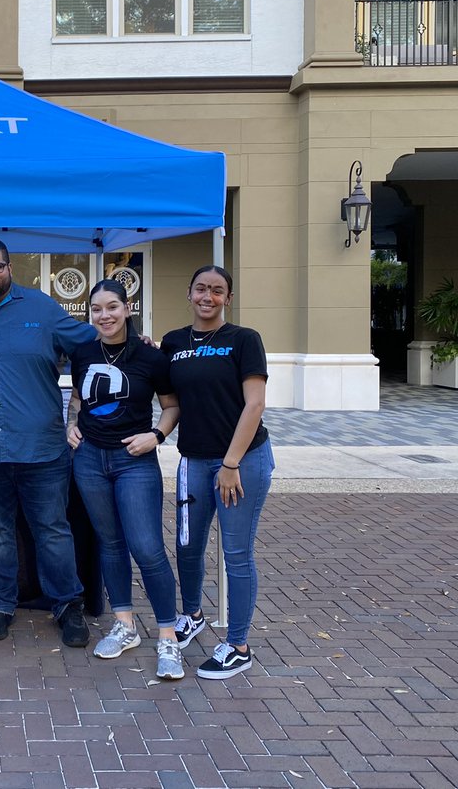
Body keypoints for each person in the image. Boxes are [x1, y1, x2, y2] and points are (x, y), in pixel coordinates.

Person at [0, 238, 98, 647]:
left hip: (41, 448)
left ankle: (67, 604)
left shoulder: (43, 309)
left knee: (53, 531)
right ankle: (0, 604)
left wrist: (135, 341)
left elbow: (95, 345)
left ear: (9, 268)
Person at [65, 279, 184, 679]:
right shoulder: (83, 353)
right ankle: (125, 625)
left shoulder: (151, 357)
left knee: (147, 548)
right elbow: (78, 399)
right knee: (110, 543)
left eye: (112, 307)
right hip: (89, 460)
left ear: (127, 308)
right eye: (97, 309)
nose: (105, 316)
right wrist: (70, 425)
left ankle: (168, 636)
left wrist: (157, 436)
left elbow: (171, 406)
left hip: (134, 460)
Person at [161, 264, 274, 680]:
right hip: (192, 459)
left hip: (242, 461)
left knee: (236, 554)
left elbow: (255, 404)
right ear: (189, 293)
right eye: (200, 289)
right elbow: (169, 399)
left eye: (217, 290)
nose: (207, 297)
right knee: (187, 545)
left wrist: (230, 463)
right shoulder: (173, 343)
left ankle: (239, 646)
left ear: (228, 298)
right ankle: (192, 615)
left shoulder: (244, 339)